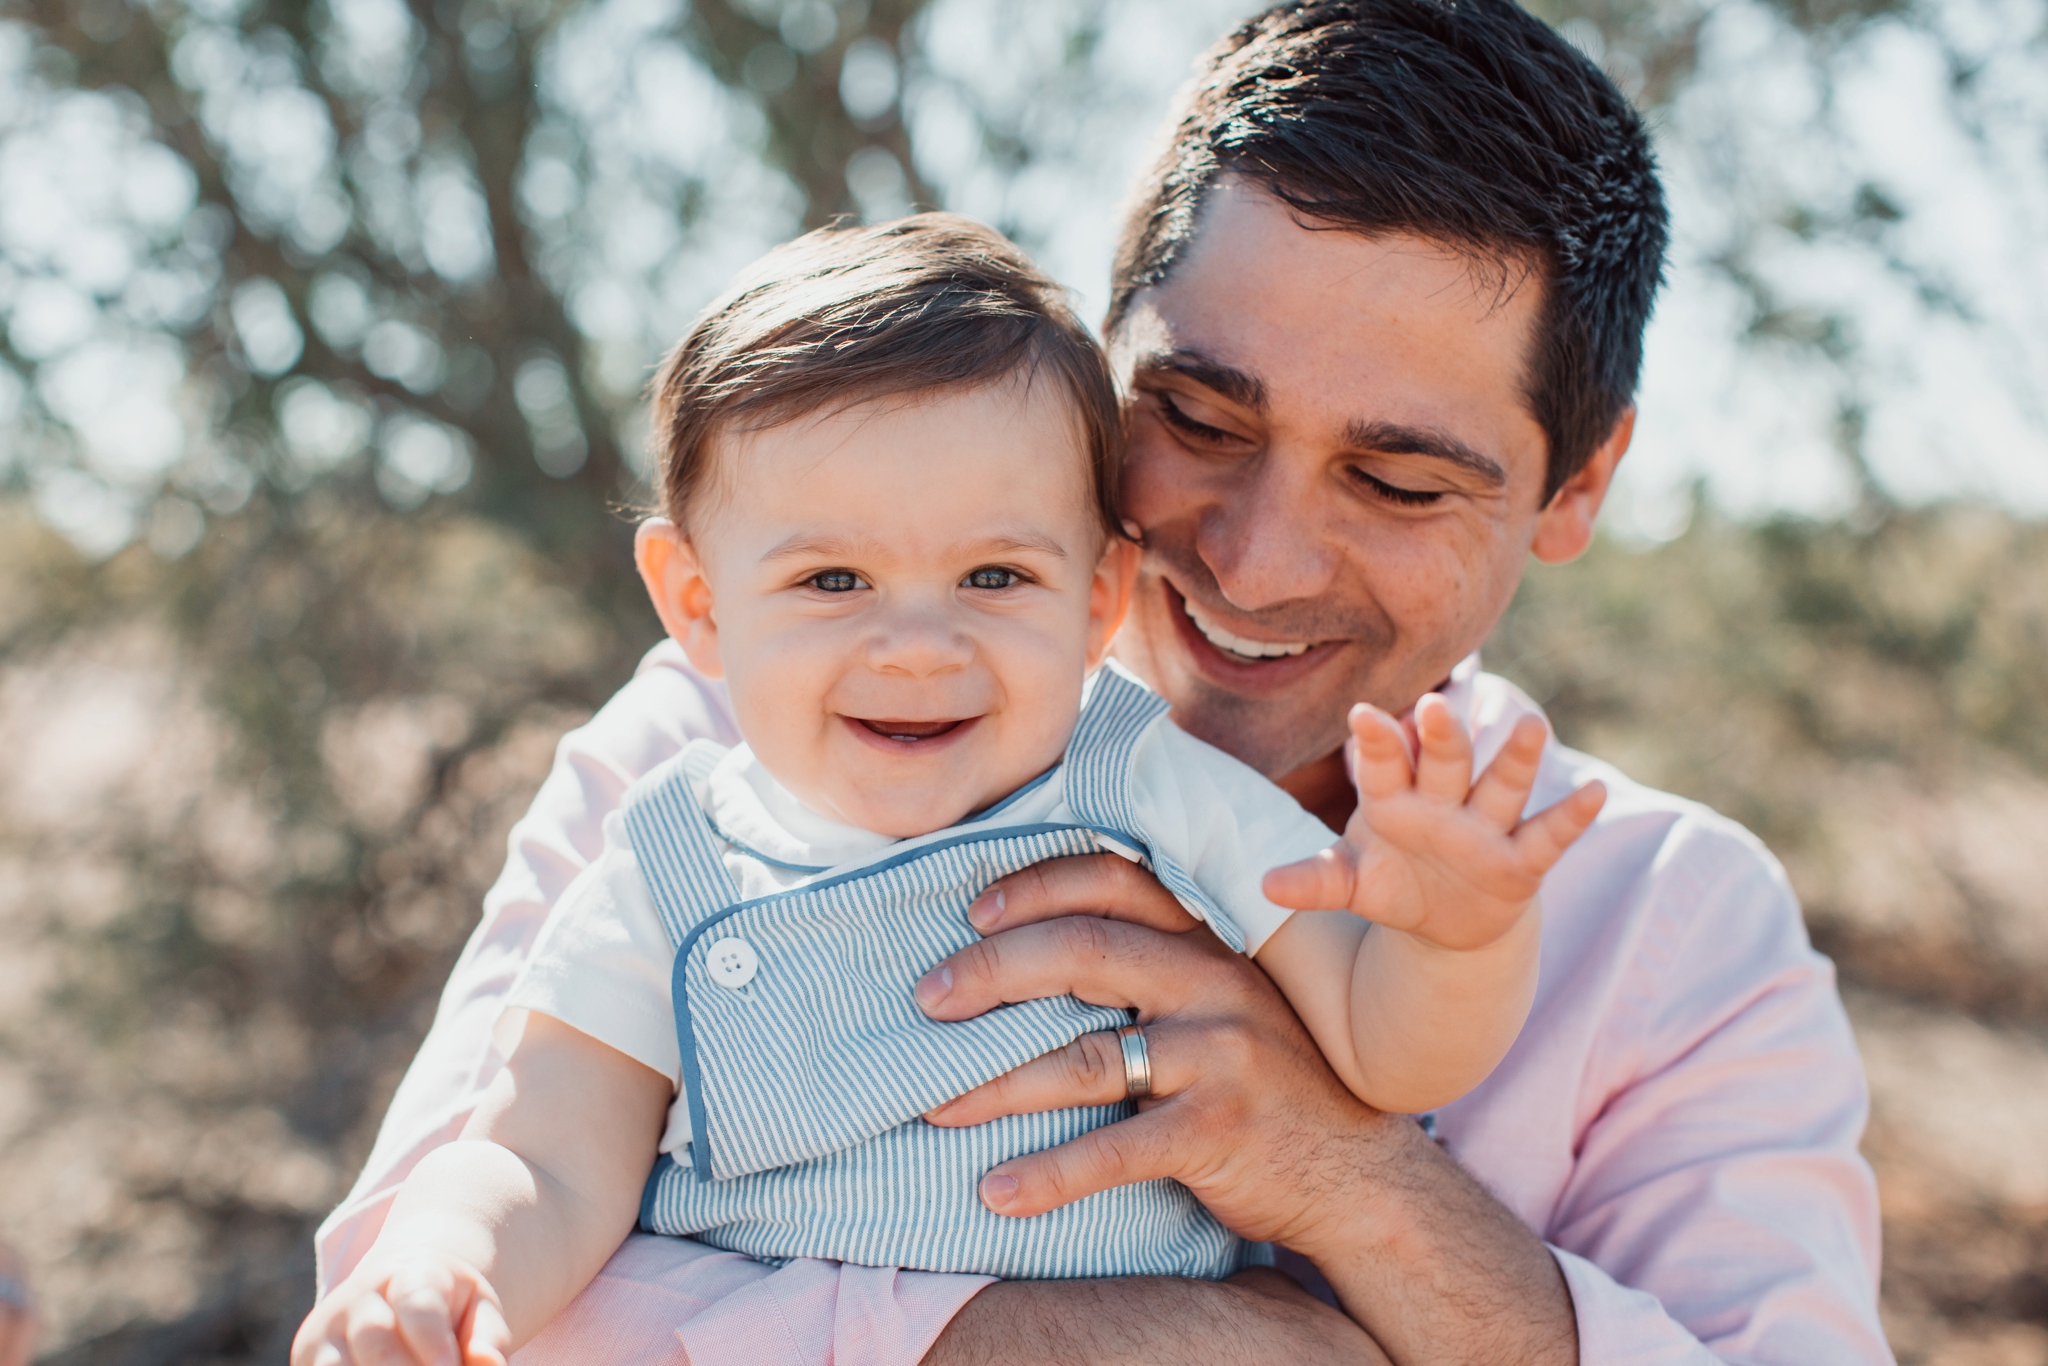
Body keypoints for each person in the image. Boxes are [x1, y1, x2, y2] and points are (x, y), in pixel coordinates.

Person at [314, 2, 1893, 1362]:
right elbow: (423, 1285)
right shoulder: (716, 756)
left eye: (1399, 481)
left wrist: (1350, 1182)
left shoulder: (1675, 924)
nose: (1260, 561)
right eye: (1198, 419)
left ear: (1579, 484)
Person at [295, 212, 1605, 1365]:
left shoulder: (1145, 782)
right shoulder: (671, 864)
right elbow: (542, 1153)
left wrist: (1457, 931)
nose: (918, 645)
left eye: (994, 578)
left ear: (1097, 599)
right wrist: (443, 1266)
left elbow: (1387, 1046)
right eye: (831, 581)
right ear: (698, 603)